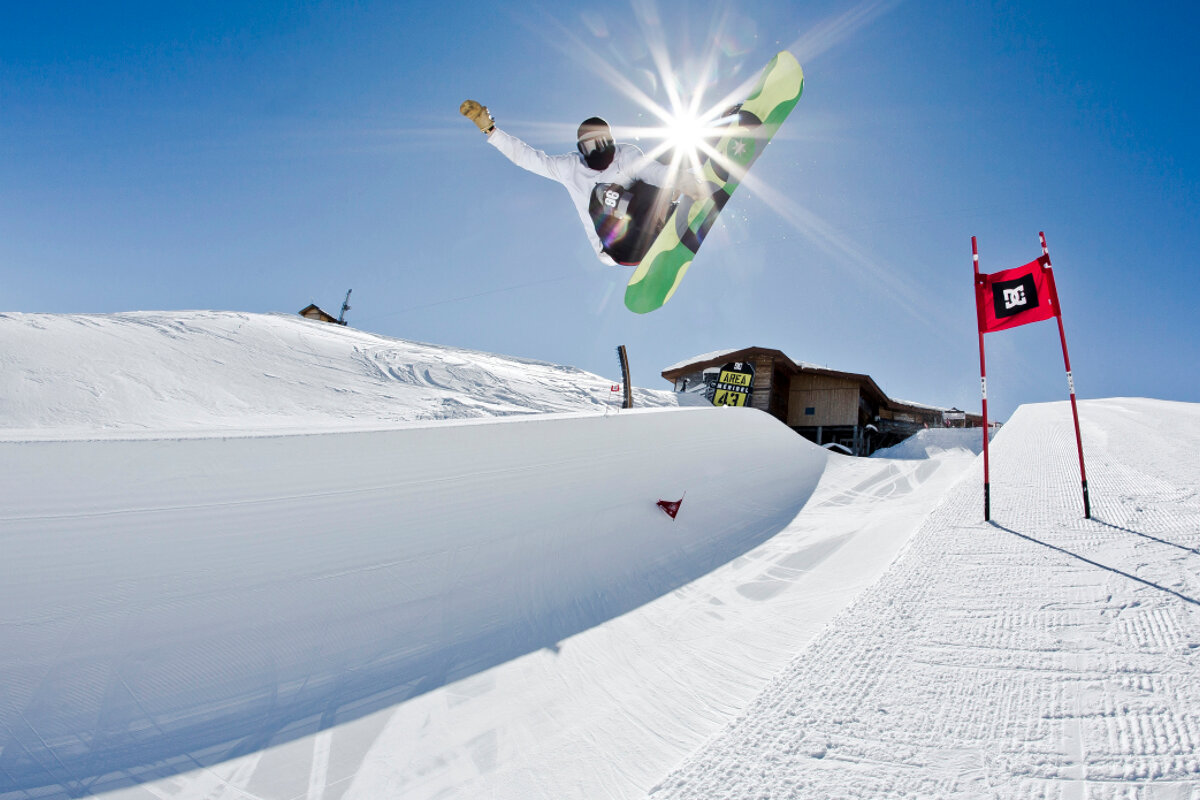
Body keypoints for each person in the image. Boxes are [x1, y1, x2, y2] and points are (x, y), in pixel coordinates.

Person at [460, 100, 706, 266]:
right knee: (601, 194)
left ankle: (702, 163)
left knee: (665, 158)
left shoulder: (626, 154)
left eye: (602, 143)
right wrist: (491, 130)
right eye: (589, 146)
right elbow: (528, 158)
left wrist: (683, 181)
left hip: (645, 227)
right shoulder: (570, 167)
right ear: (580, 150)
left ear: (611, 141)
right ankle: (665, 212)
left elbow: (654, 172)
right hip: (617, 247)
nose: (598, 151)